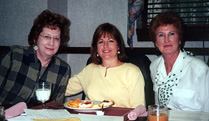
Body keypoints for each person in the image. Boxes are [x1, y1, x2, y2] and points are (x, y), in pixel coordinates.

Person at [0, 9, 71, 107]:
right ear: (35, 37)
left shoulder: (63, 69)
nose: (51, 43)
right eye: (47, 37)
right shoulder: (14, 56)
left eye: (56, 38)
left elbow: (56, 106)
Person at [65, 23, 145, 108]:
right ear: (96, 48)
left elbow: (139, 108)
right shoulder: (89, 69)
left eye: (110, 41)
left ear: (118, 46)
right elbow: (61, 88)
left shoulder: (132, 72)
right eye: (101, 42)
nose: (105, 46)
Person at [149, 11, 209, 112]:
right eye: (161, 35)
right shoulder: (154, 66)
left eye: (171, 34)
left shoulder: (200, 69)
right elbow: (158, 108)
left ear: (179, 39)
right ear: (155, 42)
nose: (166, 40)